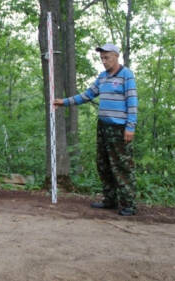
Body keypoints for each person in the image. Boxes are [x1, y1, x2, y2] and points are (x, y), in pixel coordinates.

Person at [54, 43, 138, 216]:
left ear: (116, 56)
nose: (104, 61)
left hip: (119, 127)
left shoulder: (126, 75)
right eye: (101, 58)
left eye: (107, 57)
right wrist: (64, 102)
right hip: (103, 126)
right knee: (103, 163)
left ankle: (128, 204)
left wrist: (130, 126)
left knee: (121, 166)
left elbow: (132, 102)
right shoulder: (102, 77)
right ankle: (110, 199)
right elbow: (87, 95)